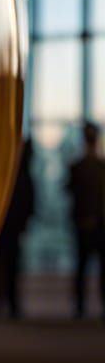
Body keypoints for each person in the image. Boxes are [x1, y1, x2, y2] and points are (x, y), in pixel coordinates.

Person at [0, 138, 33, 318]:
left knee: (6, 266)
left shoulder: (5, 174)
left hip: (7, 227)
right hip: (4, 228)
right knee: (1, 266)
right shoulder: (16, 174)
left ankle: (1, 305)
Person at [66, 122, 105, 319]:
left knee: (82, 268)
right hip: (98, 226)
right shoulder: (100, 167)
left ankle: (80, 307)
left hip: (86, 225)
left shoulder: (77, 167)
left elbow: (69, 191)